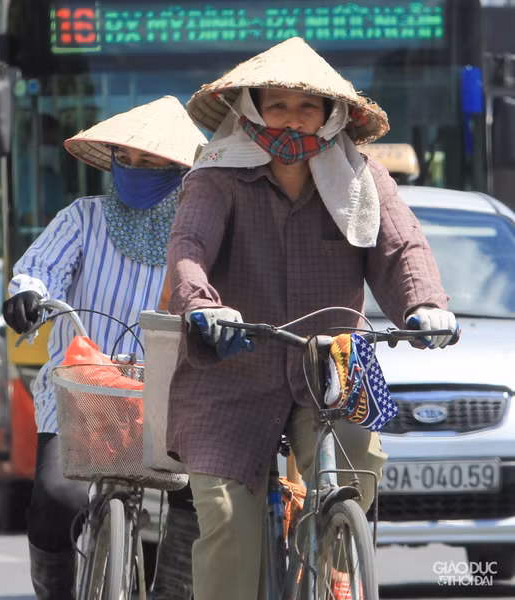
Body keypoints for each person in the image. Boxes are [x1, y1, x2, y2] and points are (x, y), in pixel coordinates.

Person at [166, 37, 458, 599]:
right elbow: (189, 246)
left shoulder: (363, 178)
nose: (293, 119)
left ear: (332, 115)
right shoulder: (215, 176)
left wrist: (425, 305)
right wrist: (202, 305)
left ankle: (321, 565)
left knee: (357, 473)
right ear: (251, 110)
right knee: (228, 524)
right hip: (228, 372)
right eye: (277, 106)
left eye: (307, 107)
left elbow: (403, 247)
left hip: (333, 363)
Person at [2, 96, 207, 600]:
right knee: (56, 499)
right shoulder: (82, 218)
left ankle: (171, 593)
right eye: (126, 158)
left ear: (181, 168)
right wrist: (27, 293)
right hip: (82, 398)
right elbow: (40, 268)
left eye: (150, 161)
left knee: (201, 498)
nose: (134, 169)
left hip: (171, 399)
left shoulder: (200, 230)